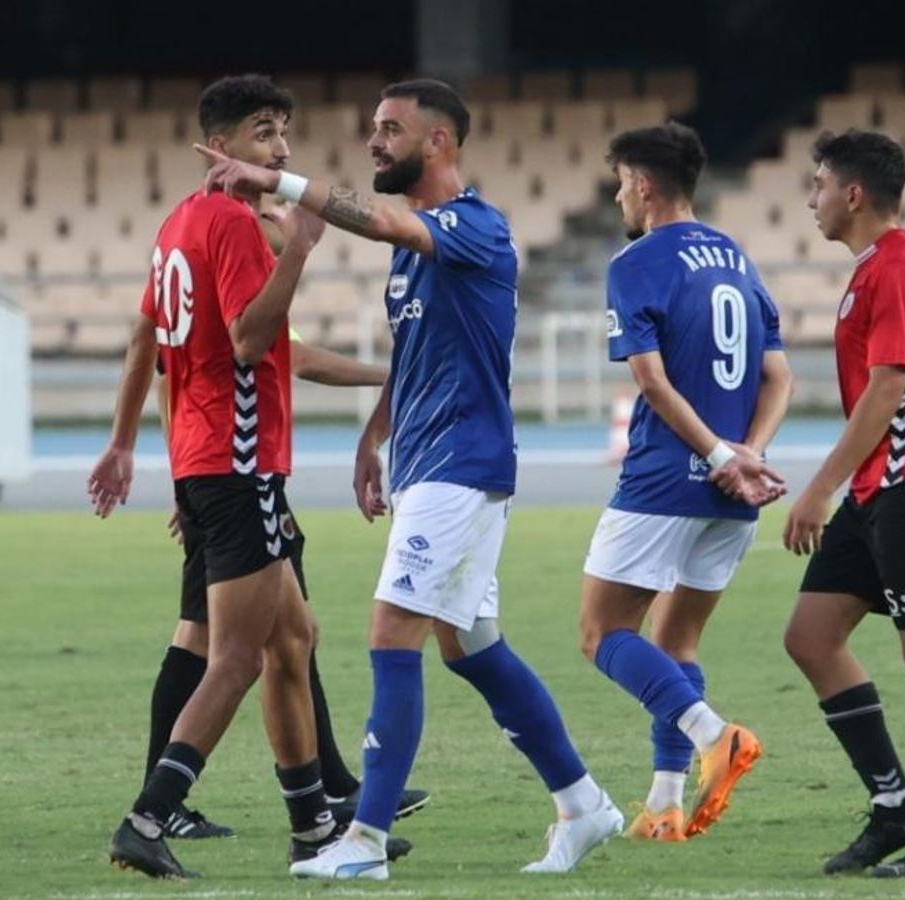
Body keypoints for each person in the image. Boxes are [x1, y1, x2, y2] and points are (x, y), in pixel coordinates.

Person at [196, 78, 622, 880]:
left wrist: (279, 182)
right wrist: (373, 438)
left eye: (390, 130)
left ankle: (363, 840)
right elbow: (415, 359)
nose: (374, 141)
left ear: (439, 143)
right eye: (373, 128)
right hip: (427, 462)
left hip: (463, 465)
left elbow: (380, 217)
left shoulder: (472, 227)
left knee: (392, 632)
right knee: (472, 647)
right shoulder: (416, 252)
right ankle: (582, 804)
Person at [88, 74, 334, 879]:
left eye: (286, 132)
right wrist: (298, 246)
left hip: (202, 461)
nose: (283, 148)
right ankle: (149, 816)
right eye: (266, 133)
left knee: (292, 639)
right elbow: (251, 341)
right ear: (221, 147)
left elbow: (148, 344)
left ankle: (315, 828)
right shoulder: (230, 222)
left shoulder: (176, 225)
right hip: (240, 460)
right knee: (236, 655)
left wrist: (132, 448)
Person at [578, 122, 793, 843]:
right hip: (734, 492)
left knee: (602, 632)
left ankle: (713, 735)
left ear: (642, 182)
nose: (617, 196)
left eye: (619, 183)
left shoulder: (637, 261)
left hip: (668, 478)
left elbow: (650, 378)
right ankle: (667, 805)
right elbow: (778, 373)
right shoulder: (737, 258)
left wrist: (717, 454)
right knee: (677, 642)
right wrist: (748, 454)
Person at [145, 325, 431, 853]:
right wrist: (393, 374)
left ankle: (322, 803)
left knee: (290, 633)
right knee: (215, 641)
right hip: (229, 480)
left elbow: (161, 364)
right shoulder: (242, 262)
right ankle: (156, 809)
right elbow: (295, 357)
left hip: (219, 477)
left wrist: (180, 471)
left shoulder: (202, 263)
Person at [781, 130, 905, 879]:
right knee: (810, 636)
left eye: (819, 185)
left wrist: (820, 485)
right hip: (880, 487)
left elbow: (888, 386)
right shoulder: (873, 270)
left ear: (853, 194)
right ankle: (898, 806)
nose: (812, 200)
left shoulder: (897, 268)